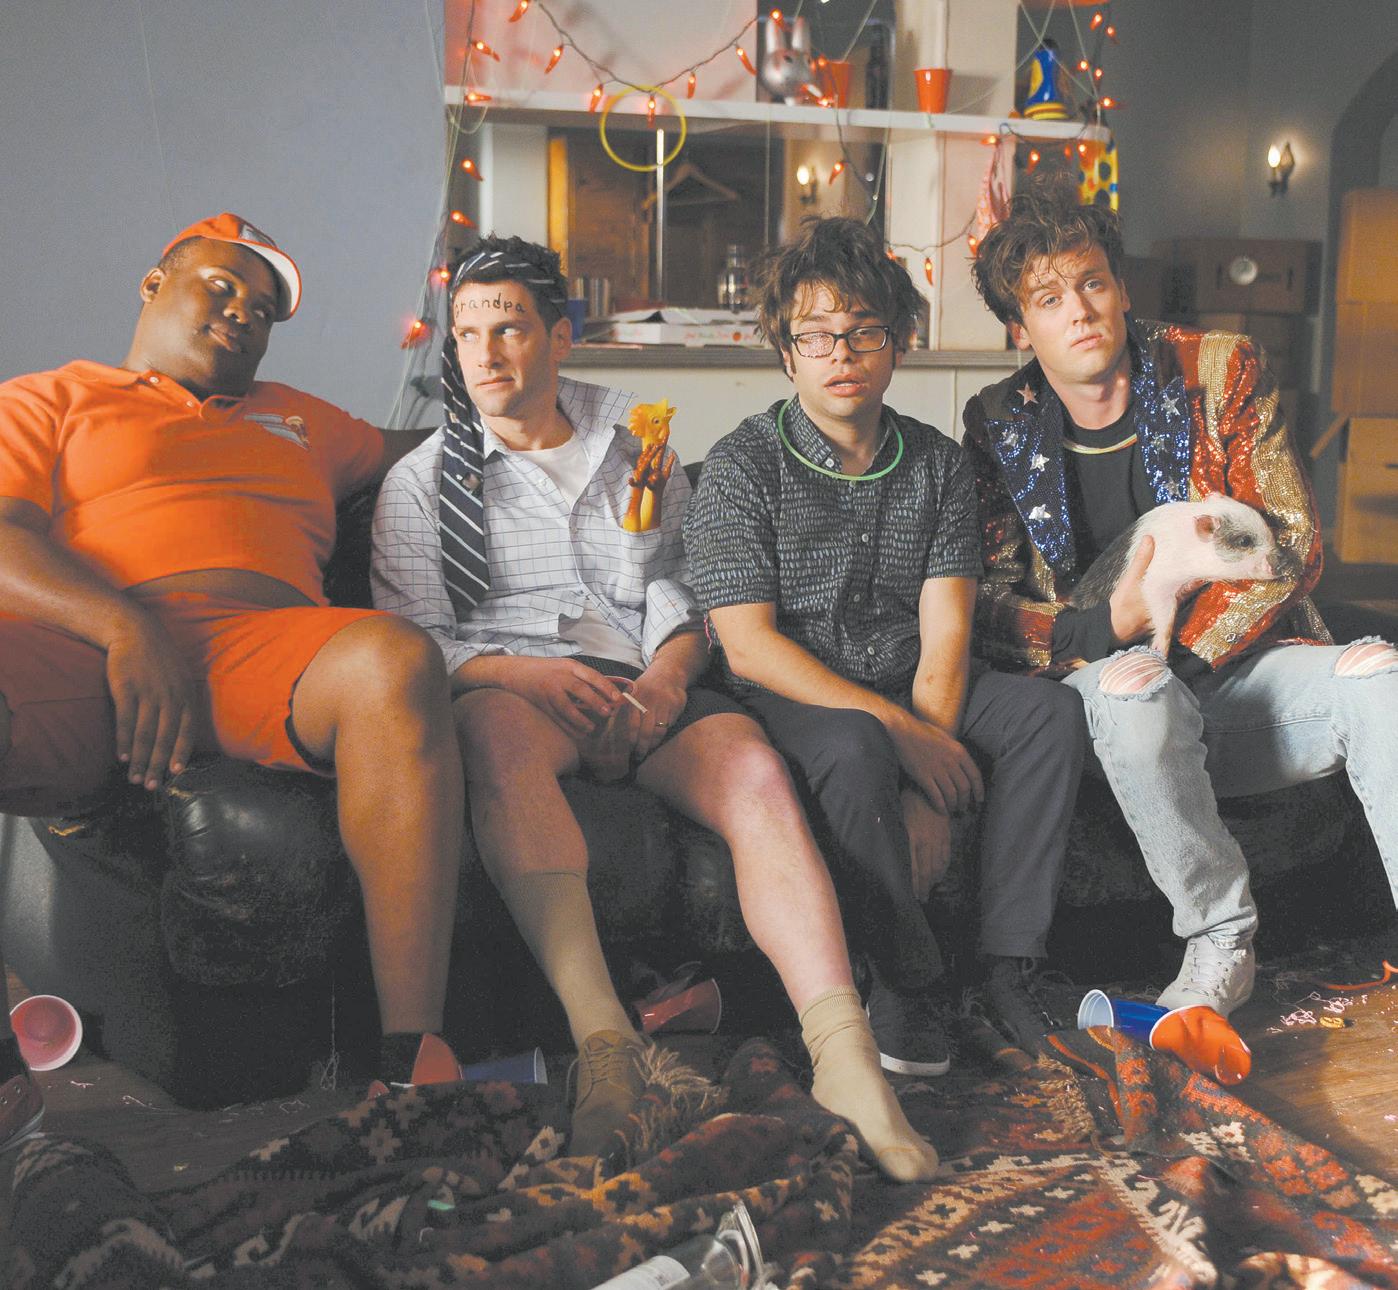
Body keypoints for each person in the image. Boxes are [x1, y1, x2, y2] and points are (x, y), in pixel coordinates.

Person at [371, 234, 939, 1181]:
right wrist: (522, 676)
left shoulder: (637, 439)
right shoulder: (420, 484)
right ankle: (608, 1050)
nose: (484, 353)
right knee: (491, 732)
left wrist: (669, 680)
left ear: (560, 337)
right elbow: (417, 641)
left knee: (754, 766)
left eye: (508, 328)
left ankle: (845, 1056)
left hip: (649, 680)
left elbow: (685, 586)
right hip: (522, 693)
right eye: (466, 334)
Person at [0, 214, 468, 1132]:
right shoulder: (51, 397)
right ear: (154, 284)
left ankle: (412, 1066)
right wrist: (124, 626)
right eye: (221, 287)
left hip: (266, 647)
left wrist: (553, 405)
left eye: (262, 310)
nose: (243, 314)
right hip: (96, 649)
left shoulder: (303, 419)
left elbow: (448, 450)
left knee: (394, 659)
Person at [962, 182, 1398, 1016]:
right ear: (1021, 328)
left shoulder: (1218, 368)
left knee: (1380, 677)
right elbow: (986, 599)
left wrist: (1184, 652)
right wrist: (1104, 631)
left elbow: (1288, 543)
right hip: (1110, 686)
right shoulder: (997, 421)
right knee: (1138, 693)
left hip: (1239, 671)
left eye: (1092, 282)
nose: (1080, 311)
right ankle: (1221, 940)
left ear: (1121, 288)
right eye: (1049, 299)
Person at [683, 217, 1088, 1072]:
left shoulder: (937, 465)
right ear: (786, 353)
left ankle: (1008, 967)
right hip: (788, 693)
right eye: (816, 335)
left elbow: (948, 635)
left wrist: (927, 786)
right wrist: (904, 739)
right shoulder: (741, 465)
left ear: (897, 344)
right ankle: (906, 979)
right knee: (857, 739)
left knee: (1046, 714)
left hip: (910, 677)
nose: (842, 353)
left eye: (864, 331)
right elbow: (747, 646)